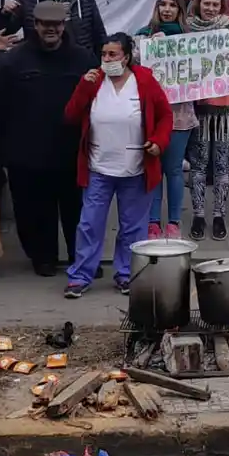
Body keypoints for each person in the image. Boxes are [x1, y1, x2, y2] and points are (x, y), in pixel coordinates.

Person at [62, 33, 172, 298]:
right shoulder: (93, 81)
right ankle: (80, 277)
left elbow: (165, 115)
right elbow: (71, 116)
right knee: (89, 224)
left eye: (113, 54)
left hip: (135, 169)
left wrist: (158, 142)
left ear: (126, 56)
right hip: (98, 169)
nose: (107, 59)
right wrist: (82, 88)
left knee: (133, 227)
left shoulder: (144, 79)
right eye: (104, 54)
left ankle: (126, 275)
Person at [0, 0, 94, 276]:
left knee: (77, 212)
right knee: (33, 212)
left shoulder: (83, 59)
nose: (51, 29)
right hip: (27, 154)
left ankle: (79, 258)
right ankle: (42, 257)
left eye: (56, 24)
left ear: (64, 25)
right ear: (35, 25)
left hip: (71, 151)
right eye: (45, 24)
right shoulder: (12, 60)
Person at [184, 0, 229, 241]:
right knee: (198, 165)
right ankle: (198, 214)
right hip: (197, 108)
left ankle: (219, 215)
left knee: (221, 164)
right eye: (206, 4)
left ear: (221, 7)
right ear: (198, 5)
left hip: (222, 108)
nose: (210, 8)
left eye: (214, 5)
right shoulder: (187, 28)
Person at [136, 0, 196, 238]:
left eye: (173, 5)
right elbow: (135, 66)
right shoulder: (143, 35)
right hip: (152, 113)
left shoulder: (190, 38)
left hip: (180, 112)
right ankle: (152, 223)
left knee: (173, 169)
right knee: (153, 168)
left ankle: (173, 222)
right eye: (163, 4)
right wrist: (150, 48)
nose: (167, 9)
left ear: (181, 10)